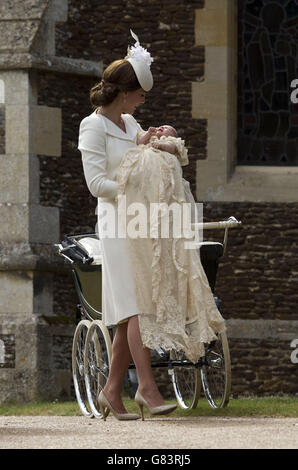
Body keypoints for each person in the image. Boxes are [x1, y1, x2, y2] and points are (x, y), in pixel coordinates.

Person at [78, 30, 177, 421]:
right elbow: (96, 184)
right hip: (115, 223)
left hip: (138, 221)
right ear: (124, 92)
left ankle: (111, 391)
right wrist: (131, 184)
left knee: (126, 314)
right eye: (140, 94)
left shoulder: (130, 122)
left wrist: (157, 139)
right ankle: (148, 390)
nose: (142, 101)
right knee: (135, 307)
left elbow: (142, 152)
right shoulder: (93, 126)